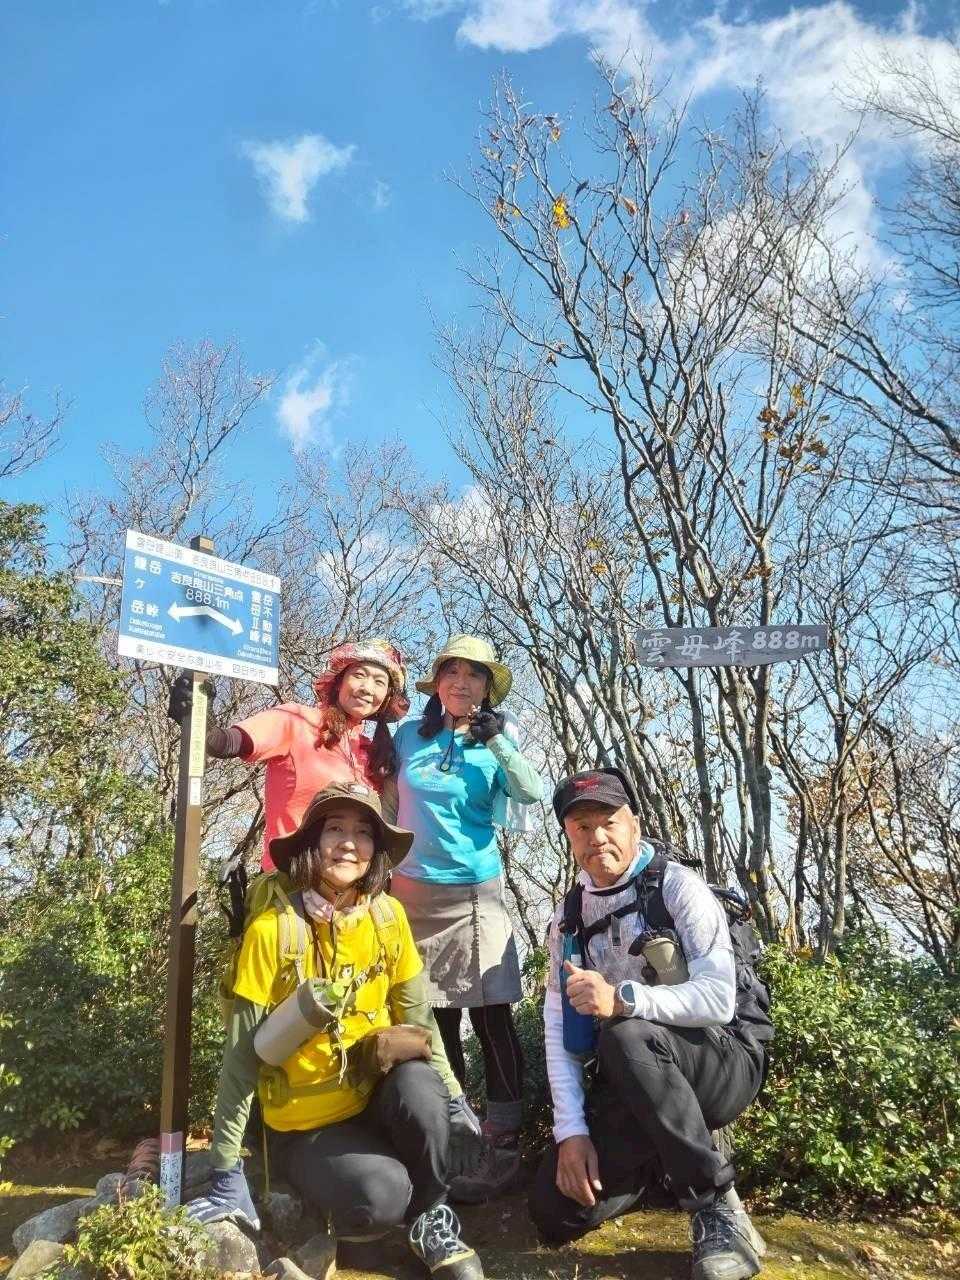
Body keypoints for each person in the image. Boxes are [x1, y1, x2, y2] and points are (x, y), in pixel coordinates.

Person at [187, 781, 484, 1280]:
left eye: (364, 832)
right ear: (311, 842)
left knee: (422, 1085)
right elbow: (240, 1058)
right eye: (335, 829)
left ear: (377, 850)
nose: (350, 843)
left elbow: (418, 1019)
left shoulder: (388, 918)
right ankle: (370, 1197)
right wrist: (224, 1170)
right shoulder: (272, 931)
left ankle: (432, 1217)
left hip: (371, 1098)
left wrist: (454, 1101)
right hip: (305, 1126)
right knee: (382, 1195)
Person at [528, 768, 772, 1280]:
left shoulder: (679, 888)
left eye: (608, 822)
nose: (597, 837)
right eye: (582, 827)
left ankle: (716, 1207)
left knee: (626, 1033)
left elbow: (718, 999)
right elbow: (557, 1025)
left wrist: (621, 999)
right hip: (639, 1077)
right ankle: (664, 1165)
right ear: (569, 837)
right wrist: (571, 1132)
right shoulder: (567, 917)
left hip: (722, 1060)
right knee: (556, 1210)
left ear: (634, 824)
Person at [383, 635, 543, 1202]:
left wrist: (497, 740)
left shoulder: (497, 739)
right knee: (436, 1019)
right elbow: (384, 796)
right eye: (452, 671)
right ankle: (453, 1129)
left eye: (474, 674)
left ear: (486, 687)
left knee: (492, 1014)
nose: (461, 682)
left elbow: (531, 791)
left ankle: (503, 1139)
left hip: (475, 893)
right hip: (409, 894)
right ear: (438, 682)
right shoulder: (409, 735)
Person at [168, 638, 409, 871]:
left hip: (353, 888)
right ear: (339, 682)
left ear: (386, 697)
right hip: (289, 881)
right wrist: (200, 715)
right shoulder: (295, 720)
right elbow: (224, 742)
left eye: (379, 682)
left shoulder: (375, 754)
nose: (367, 688)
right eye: (359, 675)